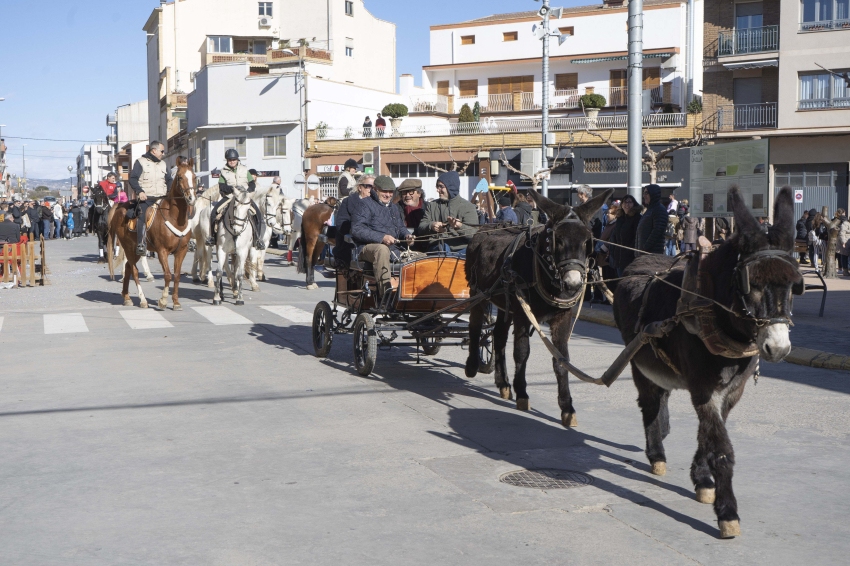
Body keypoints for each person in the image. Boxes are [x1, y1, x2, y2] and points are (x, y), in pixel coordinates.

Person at [350, 175, 414, 298]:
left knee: (423, 258)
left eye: (391, 192)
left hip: (394, 249)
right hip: (367, 248)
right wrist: (382, 237)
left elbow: (400, 228)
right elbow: (357, 229)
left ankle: (417, 294)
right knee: (382, 249)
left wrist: (407, 236)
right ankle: (386, 293)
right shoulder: (364, 204)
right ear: (375, 189)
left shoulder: (394, 208)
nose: (388, 195)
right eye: (385, 191)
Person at [205, 149, 265, 250]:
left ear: (237, 160)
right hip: (229, 197)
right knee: (214, 212)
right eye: (230, 160)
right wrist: (232, 189)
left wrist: (247, 192)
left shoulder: (245, 170)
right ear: (227, 160)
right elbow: (222, 186)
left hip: (244, 197)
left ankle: (258, 239)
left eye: (234, 159)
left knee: (258, 214)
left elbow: (252, 184)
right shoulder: (223, 172)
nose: (232, 161)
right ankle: (212, 238)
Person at [418, 171, 479, 256]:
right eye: (437, 187)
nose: (437, 190)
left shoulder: (468, 207)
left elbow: (474, 235)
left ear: (451, 187)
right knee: (443, 248)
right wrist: (431, 226)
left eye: (441, 187)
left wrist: (459, 226)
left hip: (461, 250)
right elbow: (421, 228)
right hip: (437, 248)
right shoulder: (432, 206)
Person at [128, 141, 172, 255]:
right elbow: (133, 179)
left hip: (162, 198)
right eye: (162, 151)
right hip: (147, 198)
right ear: (154, 150)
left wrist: (170, 192)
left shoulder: (163, 164)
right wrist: (140, 191)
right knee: (142, 215)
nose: (163, 153)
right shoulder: (140, 162)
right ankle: (141, 244)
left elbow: (169, 180)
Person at [334, 175, 375, 268]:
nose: (371, 190)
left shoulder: (377, 204)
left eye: (374, 187)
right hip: (352, 244)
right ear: (360, 187)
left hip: (374, 242)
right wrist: (359, 230)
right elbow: (341, 224)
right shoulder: (348, 202)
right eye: (368, 186)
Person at [609, 194, 642, 276]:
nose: (627, 204)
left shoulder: (637, 218)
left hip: (630, 257)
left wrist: (630, 252)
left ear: (634, 204)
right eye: (625, 202)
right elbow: (615, 235)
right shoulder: (620, 218)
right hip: (618, 257)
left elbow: (637, 237)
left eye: (630, 202)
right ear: (622, 204)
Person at [635, 184, 668, 255]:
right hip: (644, 254)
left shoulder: (659, 209)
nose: (644, 196)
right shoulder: (649, 210)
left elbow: (658, 231)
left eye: (646, 193)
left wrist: (645, 247)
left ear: (653, 194)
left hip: (652, 254)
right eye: (644, 193)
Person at [836, 208, 850, 276]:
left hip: (848, 242)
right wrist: (843, 242)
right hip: (846, 243)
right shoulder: (845, 224)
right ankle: (845, 271)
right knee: (844, 256)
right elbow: (842, 233)